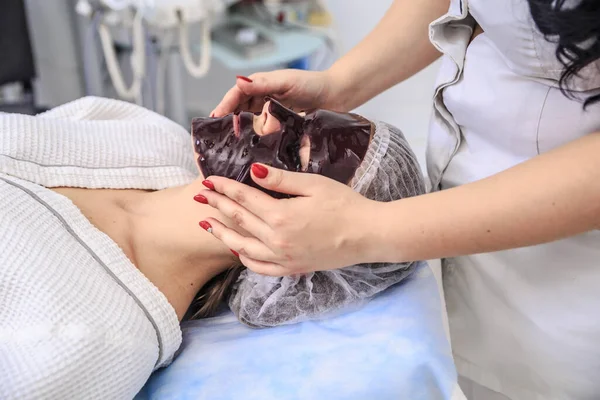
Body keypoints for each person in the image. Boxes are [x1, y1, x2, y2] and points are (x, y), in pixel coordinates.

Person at [202, 0, 600, 399]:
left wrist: (365, 228)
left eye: (296, 151)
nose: (272, 116)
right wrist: (340, 84)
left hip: (562, 282)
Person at [0, 96, 423, 398]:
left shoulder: (91, 342)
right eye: (300, 116)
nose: (269, 114)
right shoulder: (151, 136)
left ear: (298, 247)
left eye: (294, 148)